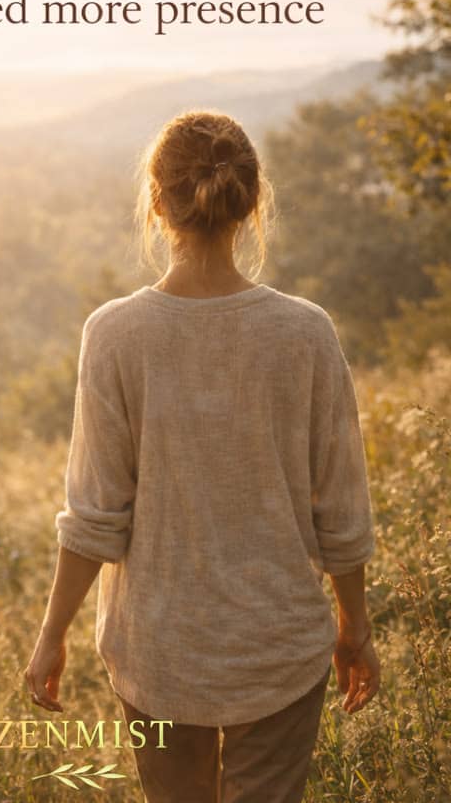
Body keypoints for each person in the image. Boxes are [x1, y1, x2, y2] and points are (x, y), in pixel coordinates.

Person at [24, 109, 380, 803]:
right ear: (251, 202)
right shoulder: (305, 333)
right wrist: (355, 628)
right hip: (280, 645)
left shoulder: (115, 334)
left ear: (157, 203)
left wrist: (51, 635)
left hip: (158, 653)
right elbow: (341, 509)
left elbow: (96, 515)